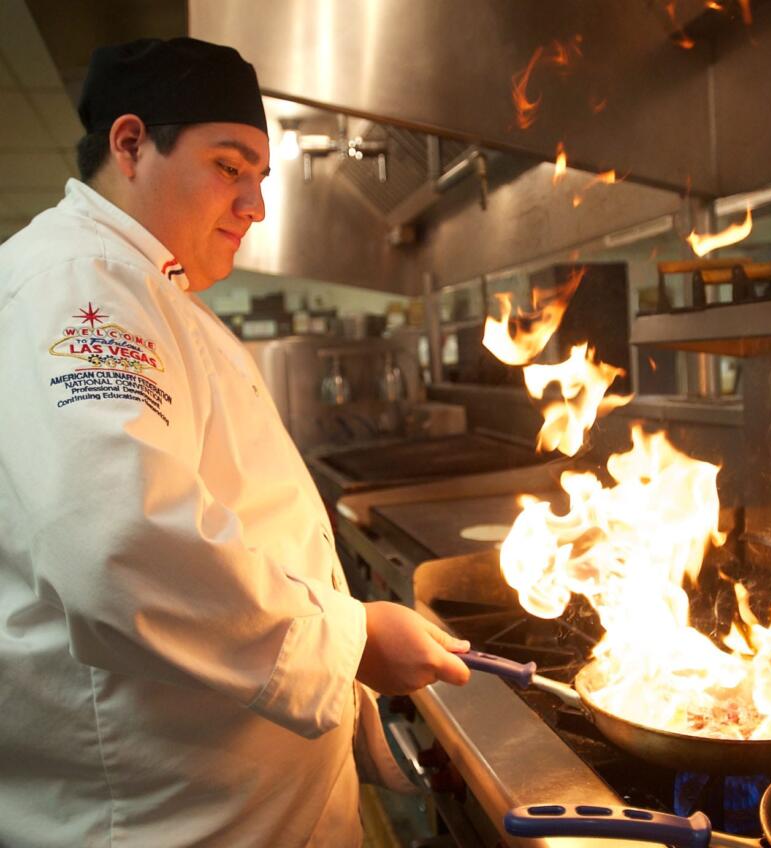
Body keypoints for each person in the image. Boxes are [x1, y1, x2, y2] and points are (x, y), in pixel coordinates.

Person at [0, 37, 470, 847]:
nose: (255, 205)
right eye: (229, 166)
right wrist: (347, 641)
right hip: (168, 822)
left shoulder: (149, 288)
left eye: (261, 178)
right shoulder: (80, 285)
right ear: (130, 144)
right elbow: (120, 546)